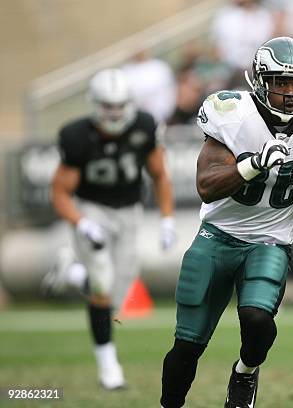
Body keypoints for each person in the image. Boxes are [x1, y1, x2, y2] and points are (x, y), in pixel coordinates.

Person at [159, 36, 293, 408]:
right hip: (218, 236)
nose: (289, 93)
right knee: (187, 344)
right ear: (260, 81)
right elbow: (206, 186)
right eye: (281, 82)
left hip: (270, 240)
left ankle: (245, 373)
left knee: (256, 319)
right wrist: (252, 164)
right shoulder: (233, 116)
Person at [46, 68, 176, 389]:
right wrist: (83, 221)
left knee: (117, 291)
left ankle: (72, 273)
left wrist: (167, 218)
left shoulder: (144, 126)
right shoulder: (77, 136)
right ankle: (109, 368)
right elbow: (60, 192)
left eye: (119, 105)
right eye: (108, 105)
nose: (114, 113)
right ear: (94, 104)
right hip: (93, 208)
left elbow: (159, 174)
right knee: (102, 286)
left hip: (130, 211)